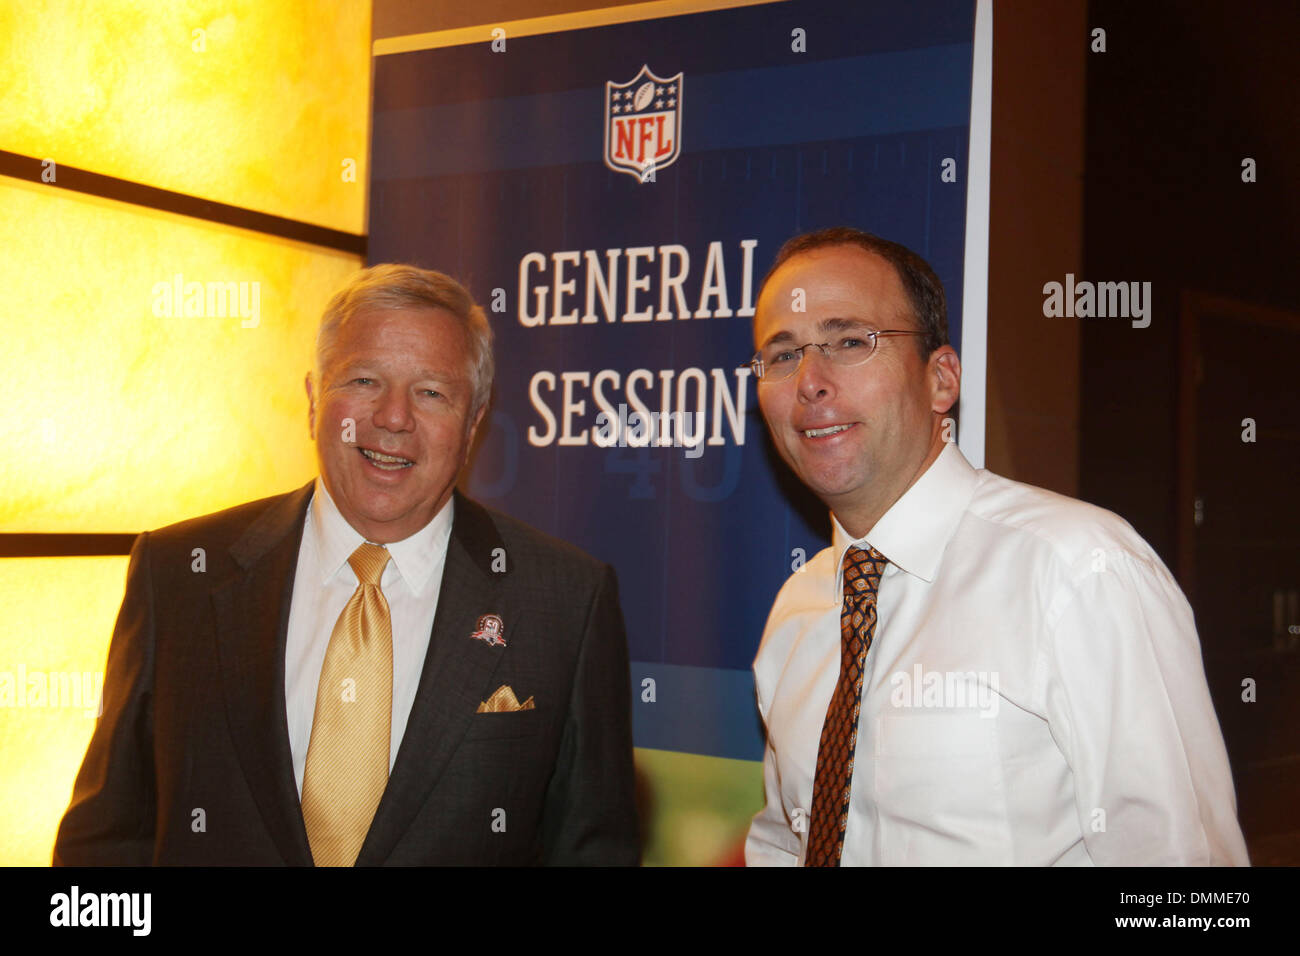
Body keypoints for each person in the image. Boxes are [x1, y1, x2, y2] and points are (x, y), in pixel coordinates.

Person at [54, 264, 639, 866]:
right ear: (313, 399)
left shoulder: (566, 602)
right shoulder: (179, 574)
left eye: (432, 392)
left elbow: (593, 852)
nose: (391, 417)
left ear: (472, 425)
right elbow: (105, 841)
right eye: (363, 380)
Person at [743, 227, 1248, 866]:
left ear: (941, 380)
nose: (810, 382)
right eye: (781, 355)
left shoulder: (1079, 571)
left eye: (850, 341)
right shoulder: (799, 609)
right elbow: (784, 844)